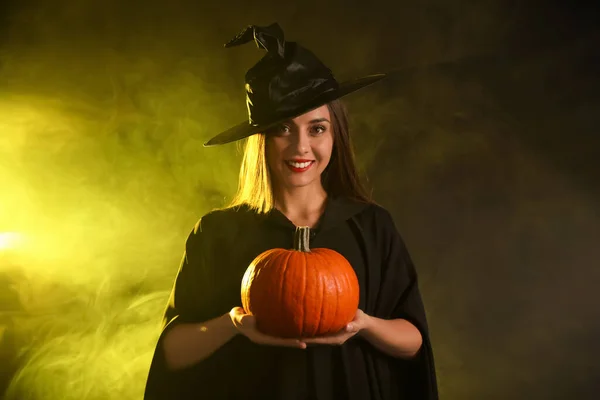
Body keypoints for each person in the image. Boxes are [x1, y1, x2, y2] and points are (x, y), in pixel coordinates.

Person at [143, 23, 438, 400]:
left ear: (336, 136)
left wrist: (363, 324)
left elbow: (413, 341)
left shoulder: (371, 225)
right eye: (283, 128)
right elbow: (173, 353)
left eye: (317, 129)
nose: (301, 147)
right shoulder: (218, 232)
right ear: (260, 141)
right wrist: (233, 324)